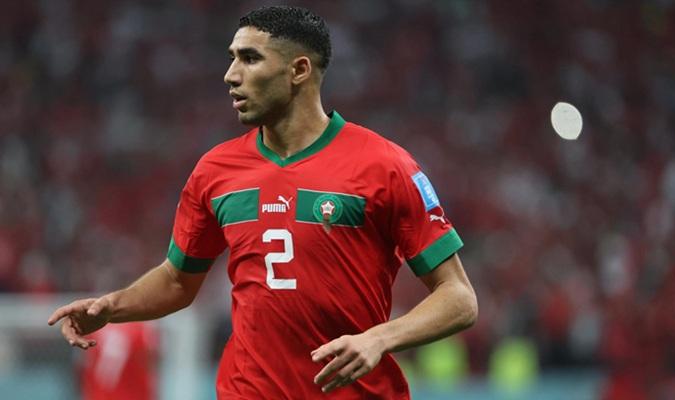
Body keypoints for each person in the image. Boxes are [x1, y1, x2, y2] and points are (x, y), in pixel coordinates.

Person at [48, 6, 478, 399]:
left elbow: (459, 297)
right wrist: (112, 306)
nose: (230, 75)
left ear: (299, 70)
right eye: (232, 58)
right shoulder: (215, 171)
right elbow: (178, 282)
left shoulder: (385, 166)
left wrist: (380, 338)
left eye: (250, 58)